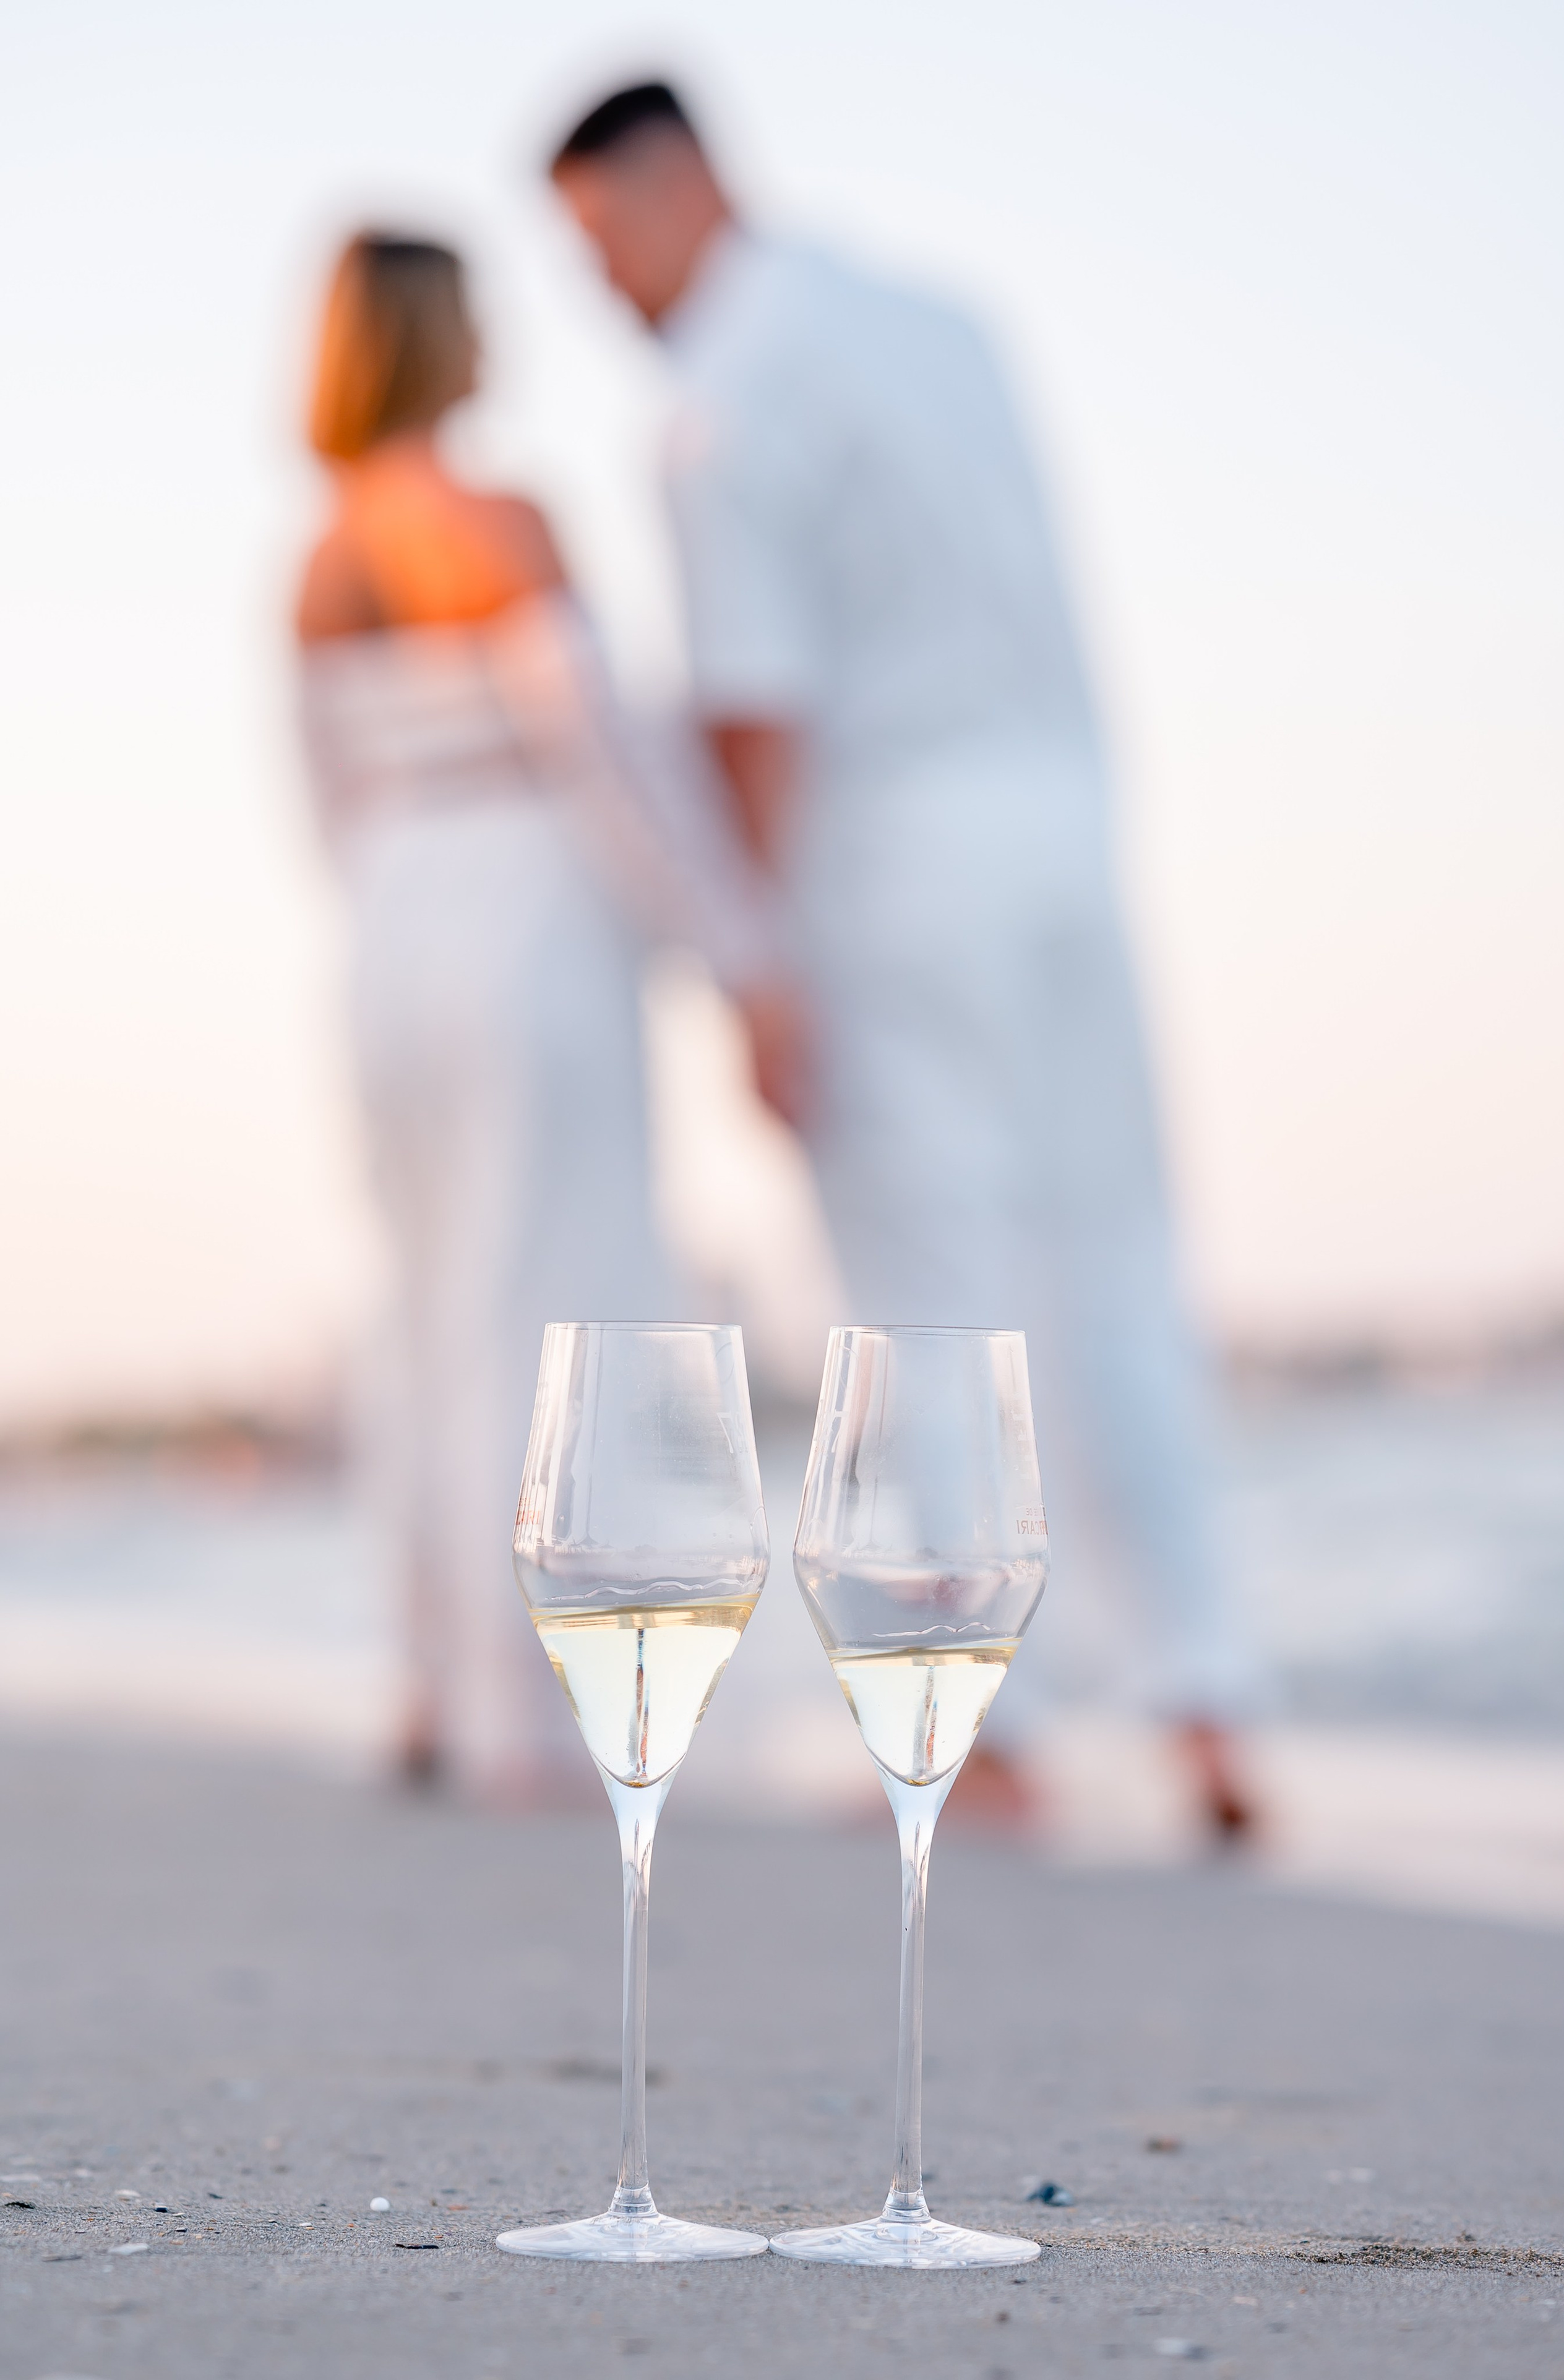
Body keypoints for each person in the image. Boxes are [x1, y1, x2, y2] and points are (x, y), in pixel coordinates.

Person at [546, 84, 1264, 1838]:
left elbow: (756, 711)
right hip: (1065, 829)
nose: (604, 293)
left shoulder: (718, 401)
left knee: (923, 1303)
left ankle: (969, 1732)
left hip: (890, 855)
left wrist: (758, 964)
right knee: (1117, 1265)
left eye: (599, 241)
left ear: (678, 183)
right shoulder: (945, 325)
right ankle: (1206, 1707)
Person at [295, 230, 767, 1804]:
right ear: (441, 337)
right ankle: (526, 1704)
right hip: (523, 913)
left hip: (385, 929)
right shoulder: (500, 520)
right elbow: (605, 758)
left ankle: (426, 1672)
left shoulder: (312, 561)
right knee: (547, 1294)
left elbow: (319, 796)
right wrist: (735, 951)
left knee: (421, 1300)